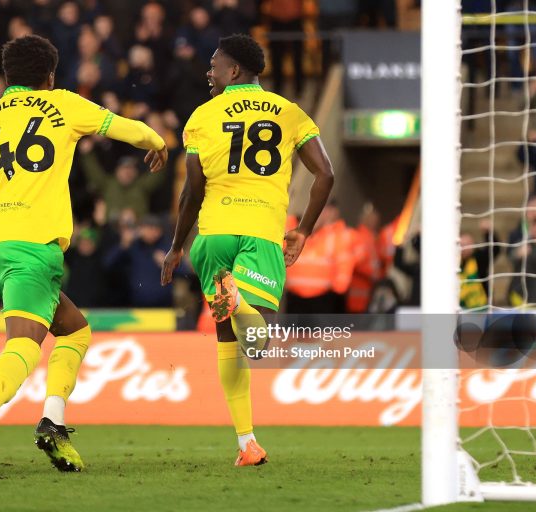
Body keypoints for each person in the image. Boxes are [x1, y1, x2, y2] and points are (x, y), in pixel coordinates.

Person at [0, 35, 168, 476]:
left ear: (8, 76)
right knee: (25, 343)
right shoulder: (63, 104)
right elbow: (130, 129)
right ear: (49, 77)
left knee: (75, 331)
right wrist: (158, 143)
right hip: (33, 247)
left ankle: (53, 423)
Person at [161, 34, 333, 466]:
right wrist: (304, 230)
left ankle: (246, 443)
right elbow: (325, 174)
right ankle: (239, 302)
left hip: (213, 235)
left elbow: (192, 190)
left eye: (215, 64)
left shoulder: (201, 117)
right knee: (257, 342)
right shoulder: (290, 113)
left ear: (234, 70)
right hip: (260, 231)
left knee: (227, 340)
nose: (208, 71)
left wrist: (178, 246)